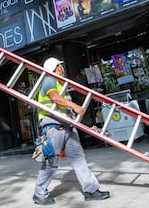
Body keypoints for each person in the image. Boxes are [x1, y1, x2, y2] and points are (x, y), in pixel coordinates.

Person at [33, 57, 110, 205]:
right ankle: (39, 194)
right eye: (60, 65)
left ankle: (91, 190)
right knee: (51, 162)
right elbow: (55, 98)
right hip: (53, 127)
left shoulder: (61, 83)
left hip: (67, 126)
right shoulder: (49, 80)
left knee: (78, 159)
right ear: (55, 67)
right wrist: (74, 106)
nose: (62, 68)